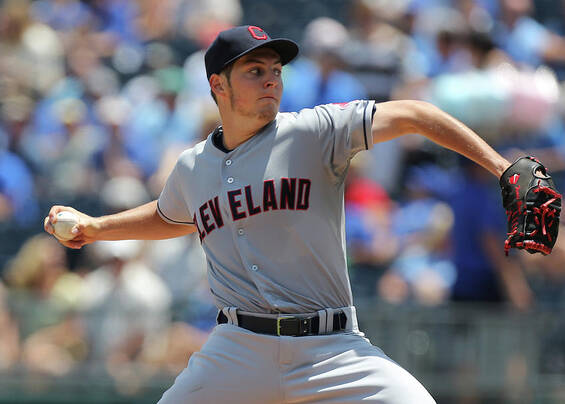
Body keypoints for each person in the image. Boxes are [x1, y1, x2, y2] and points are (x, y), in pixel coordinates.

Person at [44, 25, 513, 404]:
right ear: (217, 84)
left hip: (330, 348)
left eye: (276, 69)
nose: (271, 78)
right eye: (254, 70)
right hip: (237, 351)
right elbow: (171, 217)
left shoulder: (314, 131)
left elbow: (414, 113)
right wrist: (97, 228)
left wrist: (502, 168)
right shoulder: (191, 167)